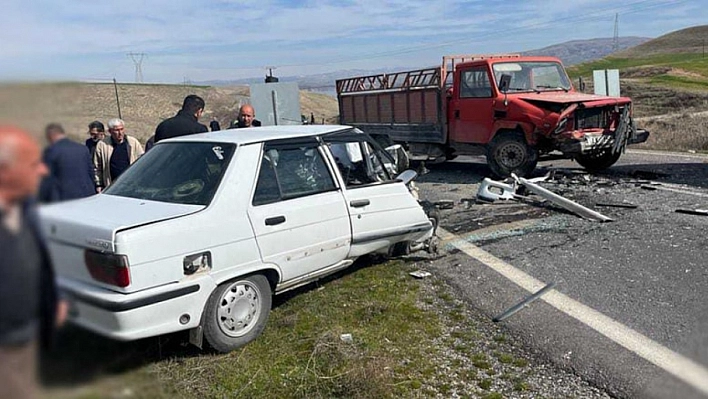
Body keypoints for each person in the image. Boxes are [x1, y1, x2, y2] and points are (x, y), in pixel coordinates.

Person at [0, 126, 67, 399]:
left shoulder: (25, 207)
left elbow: (40, 258)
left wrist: (54, 298)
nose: (42, 171)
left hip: (26, 337)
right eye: (32, 164)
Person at [38, 123, 95, 203]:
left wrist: (42, 198)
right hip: (87, 195)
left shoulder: (51, 151)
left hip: (65, 198)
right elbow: (91, 173)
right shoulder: (82, 149)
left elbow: (47, 178)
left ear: (50, 136)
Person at [93, 118, 144, 192]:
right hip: (111, 186)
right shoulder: (102, 145)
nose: (120, 133)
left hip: (132, 185)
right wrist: (99, 184)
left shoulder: (133, 142)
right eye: (116, 130)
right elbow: (97, 167)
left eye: (122, 129)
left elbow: (142, 161)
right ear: (110, 131)